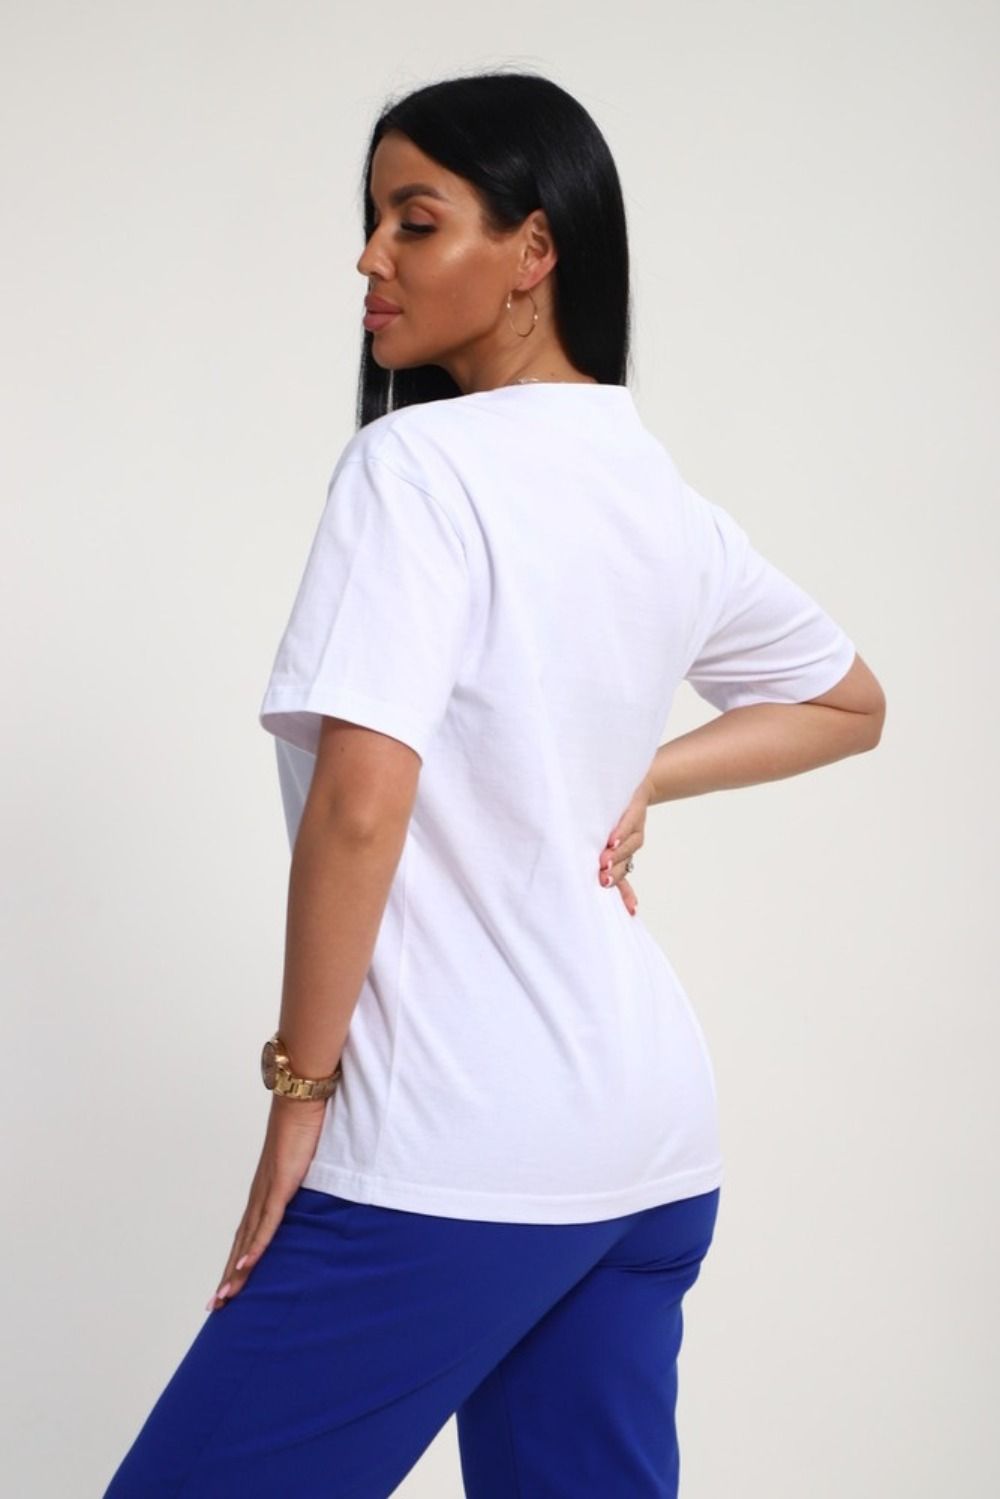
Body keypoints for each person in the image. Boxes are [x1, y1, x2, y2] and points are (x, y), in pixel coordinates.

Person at [102, 69, 886, 1498]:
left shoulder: (415, 468)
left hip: (452, 1146)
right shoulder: (658, 497)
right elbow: (849, 701)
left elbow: (360, 805)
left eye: (416, 221)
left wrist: (300, 1096)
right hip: (650, 1150)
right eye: (371, 222)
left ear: (534, 251)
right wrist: (635, 773)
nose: (371, 258)